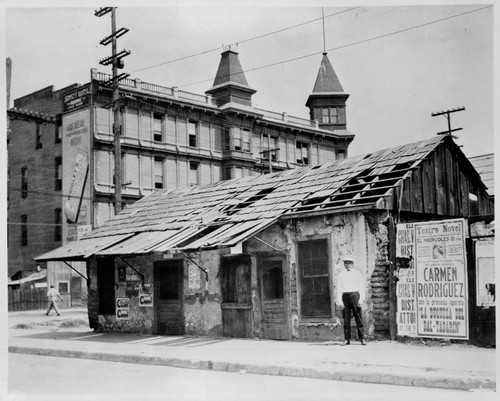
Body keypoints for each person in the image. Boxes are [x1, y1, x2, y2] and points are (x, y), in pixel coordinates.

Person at [336, 256, 366, 346]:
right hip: (345, 296)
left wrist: (361, 300)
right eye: (346, 263)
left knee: (358, 318)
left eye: (349, 263)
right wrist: (340, 302)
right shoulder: (341, 275)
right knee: (346, 319)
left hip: (355, 296)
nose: (348, 265)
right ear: (344, 264)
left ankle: (362, 338)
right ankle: (347, 339)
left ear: (352, 264)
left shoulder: (357, 274)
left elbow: (361, 287)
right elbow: (339, 288)